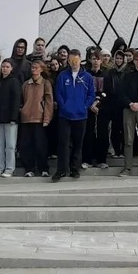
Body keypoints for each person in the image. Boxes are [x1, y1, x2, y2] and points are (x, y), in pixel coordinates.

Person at [52, 49, 95, 182]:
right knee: (63, 143)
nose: (74, 63)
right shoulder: (62, 75)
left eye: (76, 60)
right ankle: (61, 170)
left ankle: (74, 168)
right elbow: (58, 93)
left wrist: (84, 106)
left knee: (78, 143)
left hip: (81, 115)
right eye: (71, 60)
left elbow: (91, 94)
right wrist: (64, 106)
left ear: (80, 59)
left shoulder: (87, 77)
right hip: (65, 115)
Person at [19, 60, 53, 177]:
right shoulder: (25, 84)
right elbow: (21, 100)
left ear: (41, 69)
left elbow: (49, 102)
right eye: (32, 67)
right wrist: (22, 110)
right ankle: (29, 168)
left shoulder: (45, 83)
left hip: (39, 118)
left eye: (36, 67)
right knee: (26, 145)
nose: (33, 69)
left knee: (41, 145)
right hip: (26, 118)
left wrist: (47, 118)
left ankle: (43, 168)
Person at [0, 58, 22, 177]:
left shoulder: (15, 82)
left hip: (10, 118)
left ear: (11, 68)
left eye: (7, 67)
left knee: (10, 145)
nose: (4, 69)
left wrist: (14, 117)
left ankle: (9, 168)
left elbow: (16, 101)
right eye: (3, 66)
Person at [84, 52, 111, 169]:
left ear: (101, 61)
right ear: (90, 60)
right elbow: (83, 91)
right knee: (88, 133)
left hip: (102, 109)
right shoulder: (85, 75)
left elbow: (108, 92)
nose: (96, 61)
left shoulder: (106, 75)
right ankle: (87, 160)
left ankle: (101, 160)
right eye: (93, 59)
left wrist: (98, 103)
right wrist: (90, 104)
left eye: (98, 59)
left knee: (102, 133)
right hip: (88, 108)